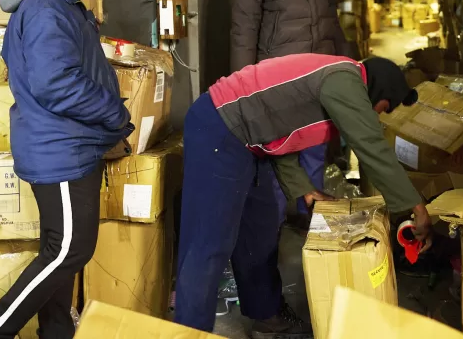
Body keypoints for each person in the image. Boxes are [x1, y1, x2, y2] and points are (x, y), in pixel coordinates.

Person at [0, 0, 133, 339]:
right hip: (61, 151)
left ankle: (55, 331)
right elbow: (56, 84)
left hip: (68, 146)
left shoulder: (60, 6)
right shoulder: (46, 10)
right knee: (68, 251)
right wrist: (114, 114)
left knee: (61, 249)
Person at [174, 54, 432, 337]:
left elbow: (282, 133)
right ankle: (190, 332)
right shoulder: (344, 81)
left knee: (260, 230)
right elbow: (371, 146)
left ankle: (265, 314)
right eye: (385, 108)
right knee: (208, 243)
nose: (379, 115)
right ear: (380, 92)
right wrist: (416, 206)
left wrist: (304, 190)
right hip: (219, 126)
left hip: (254, 141)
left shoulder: (338, 82)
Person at [230, 0, 350, 223]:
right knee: (279, 152)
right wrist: (242, 82)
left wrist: (345, 62)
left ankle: (308, 221)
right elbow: (244, 26)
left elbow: (331, 18)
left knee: (314, 149)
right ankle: (274, 222)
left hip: (318, 73)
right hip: (278, 77)